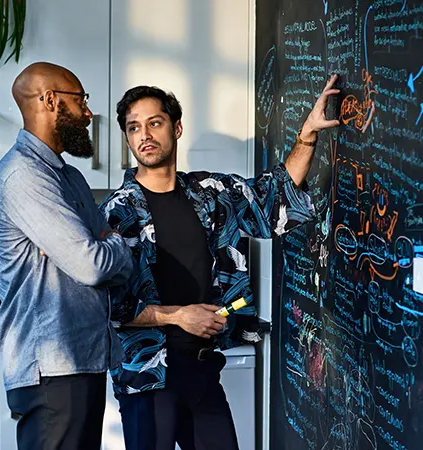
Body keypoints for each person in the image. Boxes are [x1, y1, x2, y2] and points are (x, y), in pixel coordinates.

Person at [101, 75, 341, 450]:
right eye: (134, 127)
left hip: (202, 368)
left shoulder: (210, 195)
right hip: (147, 377)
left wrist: (308, 134)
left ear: (176, 128)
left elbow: (275, 197)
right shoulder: (116, 214)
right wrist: (179, 316)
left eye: (154, 123)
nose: (144, 134)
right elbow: (107, 305)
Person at [0, 62, 134, 450]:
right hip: (52, 368)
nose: (88, 113)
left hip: (79, 360)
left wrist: (106, 248)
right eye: (81, 100)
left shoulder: (69, 178)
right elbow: (93, 264)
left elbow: (103, 260)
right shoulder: (23, 176)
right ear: (50, 101)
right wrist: (114, 245)